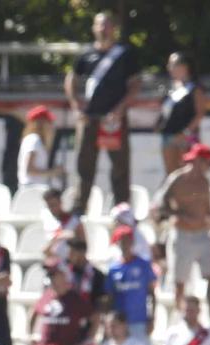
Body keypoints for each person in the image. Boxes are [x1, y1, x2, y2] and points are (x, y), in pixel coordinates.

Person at [67, 10, 137, 208]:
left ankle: (122, 208)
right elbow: (71, 78)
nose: (103, 29)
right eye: (100, 25)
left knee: (120, 166)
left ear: (114, 28)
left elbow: (135, 84)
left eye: (107, 25)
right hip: (89, 117)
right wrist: (75, 104)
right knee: (84, 164)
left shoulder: (125, 54)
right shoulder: (86, 54)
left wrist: (121, 108)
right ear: (93, 28)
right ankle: (80, 208)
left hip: (114, 118)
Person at [154, 143, 210, 316]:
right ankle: (180, 314)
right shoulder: (177, 179)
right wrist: (180, 214)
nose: (209, 167)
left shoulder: (205, 182)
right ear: (198, 161)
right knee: (180, 280)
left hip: (203, 234)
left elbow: (207, 207)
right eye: (207, 162)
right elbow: (161, 204)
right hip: (182, 235)